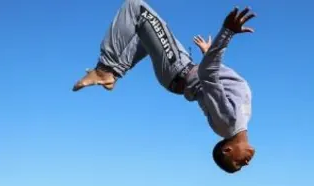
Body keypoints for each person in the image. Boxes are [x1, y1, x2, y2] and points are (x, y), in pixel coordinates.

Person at [72, 0, 256, 174]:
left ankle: (105, 69)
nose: (246, 163)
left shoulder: (227, 122)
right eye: (241, 164)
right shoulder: (241, 119)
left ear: (227, 150)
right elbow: (219, 80)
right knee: (144, 32)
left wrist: (226, 33)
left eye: (237, 162)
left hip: (178, 71)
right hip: (183, 66)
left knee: (135, 7)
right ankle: (113, 73)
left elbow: (209, 74)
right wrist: (208, 53)